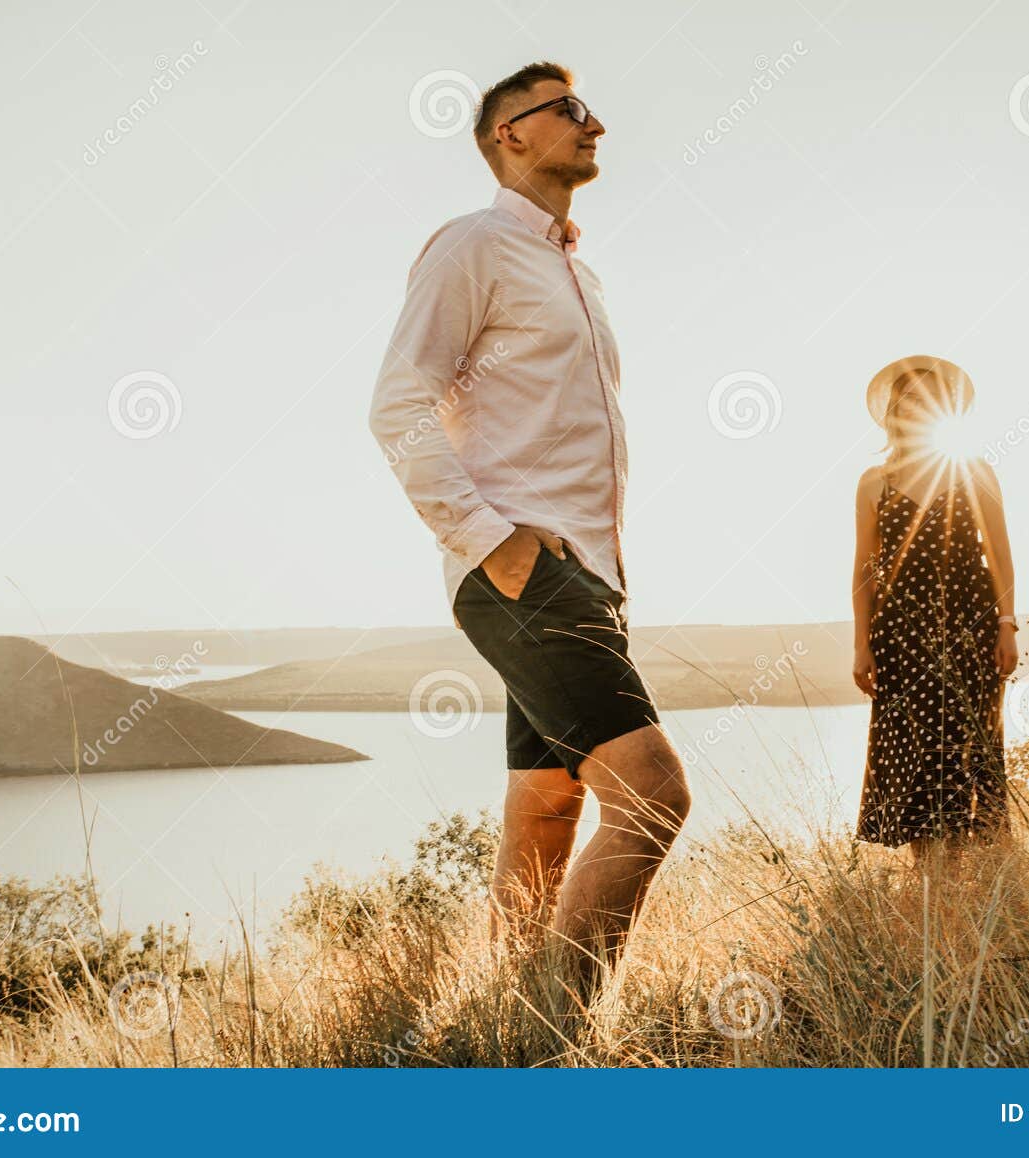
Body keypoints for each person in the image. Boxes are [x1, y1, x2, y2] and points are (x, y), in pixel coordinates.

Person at [368, 62, 689, 1005]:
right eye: (569, 109)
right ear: (509, 134)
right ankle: (558, 1039)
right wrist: (492, 540)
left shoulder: (574, 272)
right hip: (519, 569)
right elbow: (398, 406)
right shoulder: (474, 246)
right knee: (654, 799)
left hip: (584, 574)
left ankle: (505, 1021)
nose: (594, 123)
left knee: (550, 807)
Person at [851, 355, 1019, 864]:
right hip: (901, 636)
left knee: (969, 743)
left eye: (928, 398)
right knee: (916, 752)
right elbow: (865, 568)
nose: (917, 407)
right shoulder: (873, 482)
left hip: (970, 626)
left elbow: (1000, 553)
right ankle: (930, 877)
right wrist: (862, 645)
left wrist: (1007, 625)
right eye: (908, 399)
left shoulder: (974, 469)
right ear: (893, 412)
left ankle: (974, 870)